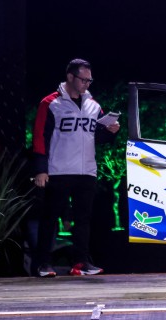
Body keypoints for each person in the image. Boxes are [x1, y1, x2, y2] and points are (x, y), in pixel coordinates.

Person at [31, 59, 119, 277]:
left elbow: (95, 136)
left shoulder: (94, 105)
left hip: (86, 171)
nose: (87, 84)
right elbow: (40, 137)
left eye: (89, 80)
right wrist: (41, 169)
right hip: (58, 170)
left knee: (83, 220)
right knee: (50, 218)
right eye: (83, 79)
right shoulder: (50, 103)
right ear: (70, 77)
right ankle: (42, 264)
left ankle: (81, 262)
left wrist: (111, 131)